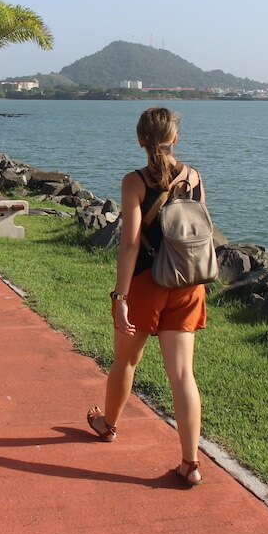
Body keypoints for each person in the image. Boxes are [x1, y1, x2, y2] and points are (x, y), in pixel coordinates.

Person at [86, 106, 207, 486]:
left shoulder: (134, 182)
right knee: (183, 374)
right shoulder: (194, 177)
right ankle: (190, 462)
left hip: (146, 285)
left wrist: (120, 296)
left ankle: (108, 425)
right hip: (188, 284)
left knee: (125, 362)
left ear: (140, 140)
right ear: (176, 138)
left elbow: (130, 245)